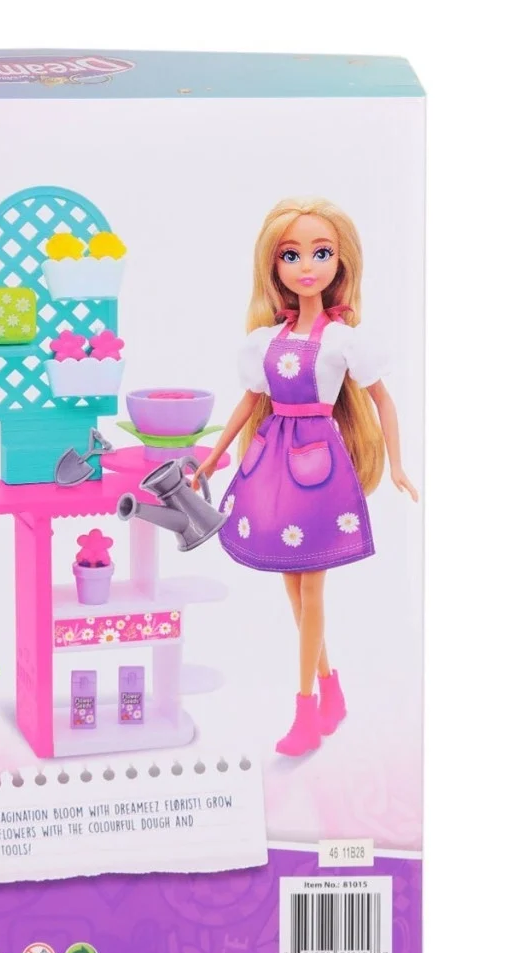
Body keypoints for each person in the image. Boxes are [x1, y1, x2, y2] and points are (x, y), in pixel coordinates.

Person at [192, 198, 418, 756]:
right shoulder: (266, 340)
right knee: (294, 587)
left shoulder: (344, 340)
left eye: (322, 252)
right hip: (274, 464)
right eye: (291, 255)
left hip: (320, 468)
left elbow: (383, 401)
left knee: (311, 589)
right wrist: (214, 456)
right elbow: (250, 402)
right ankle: (331, 690)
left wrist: (397, 464)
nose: (307, 266)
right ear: (274, 266)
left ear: (341, 261)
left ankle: (305, 711)